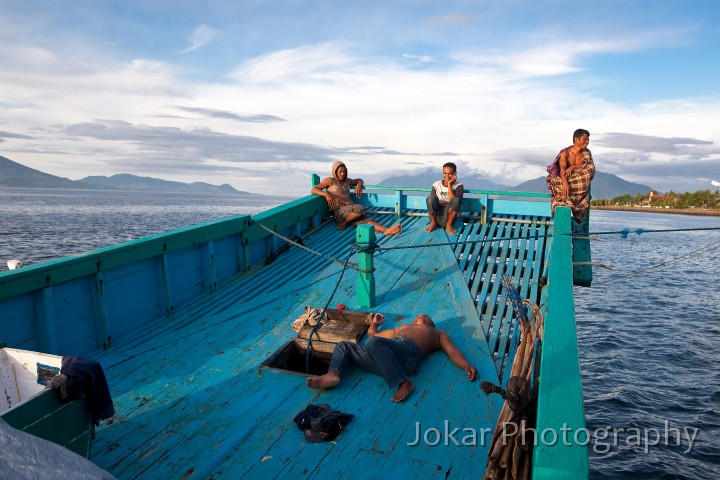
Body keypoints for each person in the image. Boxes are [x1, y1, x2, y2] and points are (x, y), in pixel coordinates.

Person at [306, 313, 477, 403]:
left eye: (426, 316)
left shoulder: (437, 333)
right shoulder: (400, 328)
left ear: (430, 324)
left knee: (373, 344)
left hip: (408, 353)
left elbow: (452, 351)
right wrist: (374, 323)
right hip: (386, 359)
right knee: (344, 346)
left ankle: (405, 383)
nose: (422, 314)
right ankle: (334, 373)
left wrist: (465, 365)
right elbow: (373, 334)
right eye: (420, 314)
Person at [311, 161, 402, 235]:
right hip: (340, 212)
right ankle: (344, 223)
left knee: (368, 221)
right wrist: (326, 195)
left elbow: (359, 180)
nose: (342, 174)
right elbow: (314, 189)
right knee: (360, 208)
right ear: (335, 172)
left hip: (350, 211)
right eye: (340, 172)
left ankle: (386, 230)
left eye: (344, 171)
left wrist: (358, 186)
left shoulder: (347, 181)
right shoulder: (330, 181)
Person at [546, 129, 596, 223]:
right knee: (557, 180)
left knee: (590, 168)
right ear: (576, 139)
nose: (587, 142)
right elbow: (562, 169)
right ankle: (565, 199)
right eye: (584, 139)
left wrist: (573, 167)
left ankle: (571, 200)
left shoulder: (586, 153)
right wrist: (565, 183)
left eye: (588, 139)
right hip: (565, 181)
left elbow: (589, 169)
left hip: (579, 183)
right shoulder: (565, 153)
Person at [425, 162, 464, 234]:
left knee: (456, 200)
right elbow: (431, 202)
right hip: (437, 215)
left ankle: (448, 225)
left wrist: (449, 184)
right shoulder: (436, 184)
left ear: (455, 174)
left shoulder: (458, 185)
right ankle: (433, 224)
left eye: (450, 173)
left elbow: (454, 201)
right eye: (445, 173)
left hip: (449, 217)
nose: (447, 176)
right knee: (430, 198)